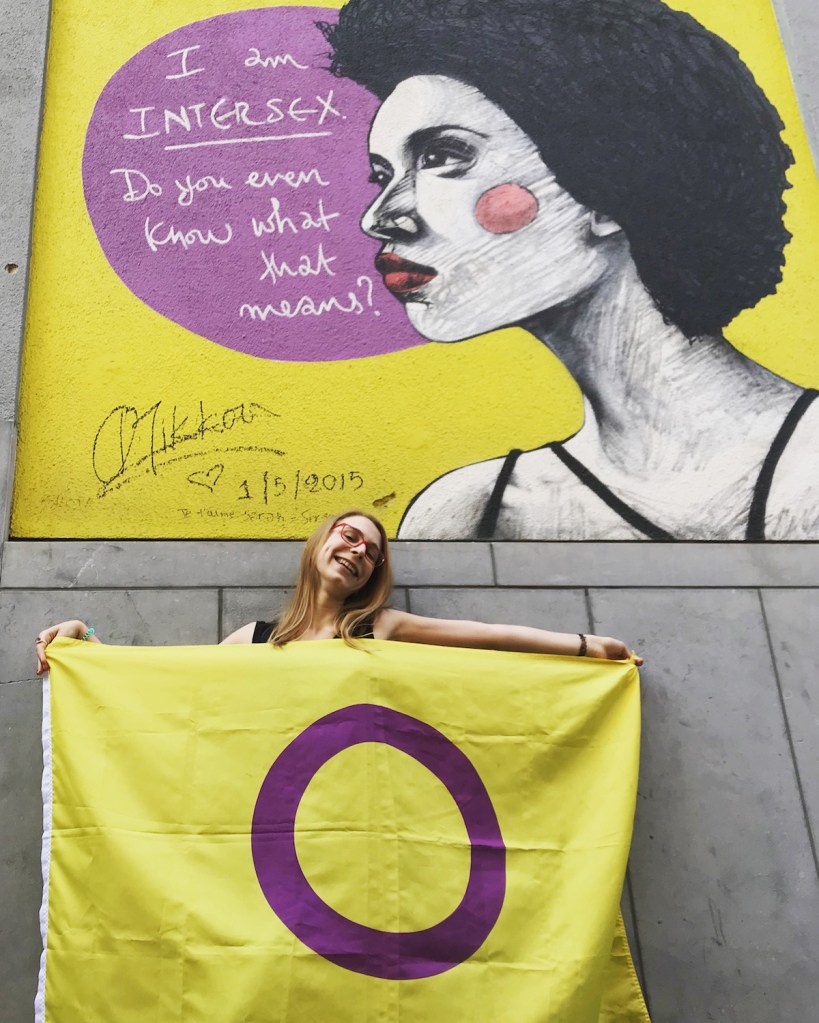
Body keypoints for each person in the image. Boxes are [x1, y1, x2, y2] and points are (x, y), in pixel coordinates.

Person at [321, 0, 818, 541]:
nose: (379, 217)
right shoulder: (473, 515)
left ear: (612, 184)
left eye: (442, 156)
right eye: (382, 175)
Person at [35, 510, 640, 671]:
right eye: (350, 537)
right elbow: (165, 689)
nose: (358, 553)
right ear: (321, 542)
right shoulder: (253, 640)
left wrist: (588, 647)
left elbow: (490, 638)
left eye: (372, 554)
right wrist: (85, 642)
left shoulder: (379, 627)